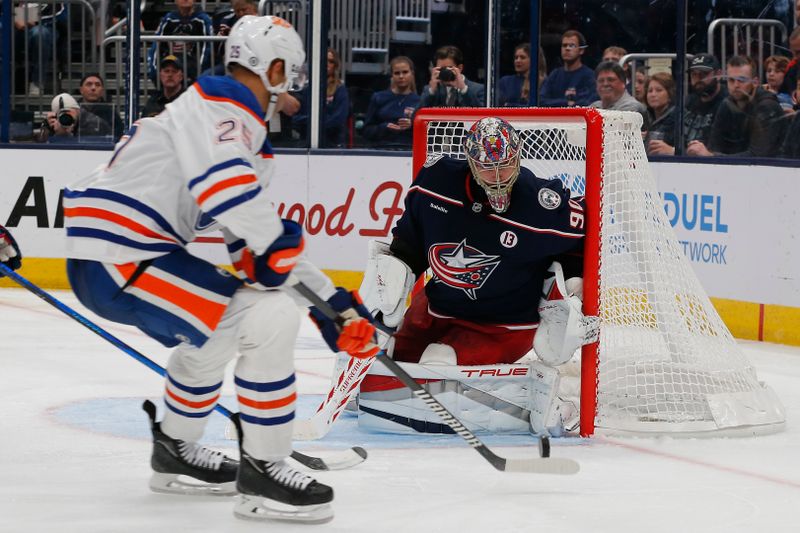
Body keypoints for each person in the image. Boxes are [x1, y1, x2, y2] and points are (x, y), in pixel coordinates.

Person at [62, 15, 377, 524]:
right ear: (273, 69)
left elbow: (249, 249)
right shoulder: (225, 108)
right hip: (120, 255)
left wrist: (334, 305)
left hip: (118, 255)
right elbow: (231, 200)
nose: (292, 89)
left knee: (217, 330)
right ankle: (265, 469)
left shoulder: (214, 119)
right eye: (290, 74)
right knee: (266, 316)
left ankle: (175, 452)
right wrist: (287, 266)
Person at [357, 117, 588, 436]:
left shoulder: (541, 205)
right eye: (486, 167)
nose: (496, 177)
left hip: (501, 326)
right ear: (469, 162)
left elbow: (586, 236)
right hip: (437, 307)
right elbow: (409, 242)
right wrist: (389, 288)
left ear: (518, 157)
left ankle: (540, 403)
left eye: (505, 165)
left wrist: (572, 286)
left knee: (437, 364)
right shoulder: (434, 183)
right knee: (378, 364)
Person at [687, 56, 786, 158]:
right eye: (731, 80)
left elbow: (758, 156)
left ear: (755, 82)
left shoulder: (767, 107)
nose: (736, 85)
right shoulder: (727, 104)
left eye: (741, 80)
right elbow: (715, 145)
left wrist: (712, 156)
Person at [293, 48, 350, 147]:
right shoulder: (307, 89)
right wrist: (314, 120)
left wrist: (312, 122)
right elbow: (296, 119)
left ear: (335, 66)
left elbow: (338, 120)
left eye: (331, 61)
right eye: (324, 60)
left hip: (333, 146)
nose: (327, 64)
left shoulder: (340, 90)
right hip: (306, 144)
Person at [361, 55, 420, 148]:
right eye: (397, 73)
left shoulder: (419, 101)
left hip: (408, 152)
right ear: (392, 75)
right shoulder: (378, 97)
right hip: (381, 150)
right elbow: (366, 131)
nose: (401, 76)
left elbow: (426, 133)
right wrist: (384, 127)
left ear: (412, 73)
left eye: (405, 72)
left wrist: (412, 125)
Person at [146, 0, 213, 82]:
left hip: (193, 68)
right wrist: (154, 71)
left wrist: (199, 71)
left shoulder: (203, 19)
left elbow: (208, 47)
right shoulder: (169, 19)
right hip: (171, 64)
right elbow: (156, 45)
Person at [12, 1, 66, 95]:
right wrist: (13, 19)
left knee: (39, 33)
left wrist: (34, 20)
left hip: (47, 28)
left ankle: (37, 82)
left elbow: (63, 15)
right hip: (16, 29)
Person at [539, 30, 597, 107]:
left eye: (572, 46)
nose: (567, 48)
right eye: (564, 45)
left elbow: (587, 102)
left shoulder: (589, 76)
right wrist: (566, 103)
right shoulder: (555, 74)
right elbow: (541, 100)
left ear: (581, 50)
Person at [203, 0, 258, 77]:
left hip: (255, 63)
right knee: (205, 76)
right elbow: (217, 50)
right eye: (237, 11)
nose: (241, 13)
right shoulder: (227, 20)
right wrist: (222, 37)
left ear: (254, 7)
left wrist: (235, 34)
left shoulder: (263, 22)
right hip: (230, 64)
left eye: (244, 10)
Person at [418, 45, 486, 108]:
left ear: (460, 68)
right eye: (441, 69)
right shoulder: (430, 90)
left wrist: (463, 89)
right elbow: (415, 117)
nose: (445, 72)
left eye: (449, 68)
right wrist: (431, 91)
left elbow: (482, 118)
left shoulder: (478, 90)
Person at [683, 53, 727, 148]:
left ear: (718, 75)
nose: (698, 79)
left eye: (704, 74)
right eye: (694, 74)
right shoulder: (689, 101)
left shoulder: (727, 103)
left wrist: (675, 151)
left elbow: (719, 147)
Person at [36, 93, 114, 143]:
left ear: (77, 110)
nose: (66, 116)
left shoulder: (93, 124)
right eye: (61, 114)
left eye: (68, 111)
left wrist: (62, 135)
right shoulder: (55, 125)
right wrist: (47, 129)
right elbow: (41, 149)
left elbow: (81, 151)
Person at [589, 61, 648, 128]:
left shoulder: (632, 107)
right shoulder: (594, 106)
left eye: (610, 80)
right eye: (601, 81)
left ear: (623, 83)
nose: (605, 84)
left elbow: (611, 132)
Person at [77, 73, 125, 141]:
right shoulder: (74, 110)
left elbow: (118, 136)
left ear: (102, 91)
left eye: (97, 85)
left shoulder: (111, 113)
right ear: (81, 90)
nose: (93, 88)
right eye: (89, 84)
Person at [643, 72, 677, 156]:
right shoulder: (646, 116)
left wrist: (673, 151)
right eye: (650, 91)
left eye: (659, 90)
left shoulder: (677, 119)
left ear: (670, 94)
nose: (653, 94)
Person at [779, 27, 800, 97]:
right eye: (793, 53)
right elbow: (785, 90)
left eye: (798, 52)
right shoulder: (793, 67)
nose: (795, 57)